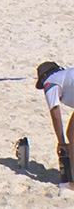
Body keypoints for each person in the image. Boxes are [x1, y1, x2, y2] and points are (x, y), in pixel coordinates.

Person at [34, 61, 74, 191]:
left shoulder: (50, 82)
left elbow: (55, 113)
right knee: (71, 133)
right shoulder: (65, 76)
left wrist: (61, 142)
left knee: (72, 136)